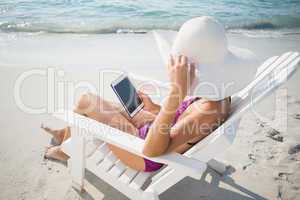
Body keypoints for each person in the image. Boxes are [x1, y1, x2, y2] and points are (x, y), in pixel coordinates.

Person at [42, 16, 257, 172]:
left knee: (86, 101)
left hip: (142, 152)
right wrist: (154, 108)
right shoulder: (216, 96)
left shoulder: (208, 112)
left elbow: (153, 150)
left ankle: (66, 150)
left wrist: (176, 94)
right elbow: (177, 124)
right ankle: (65, 136)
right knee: (107, 104)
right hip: (154, 131)